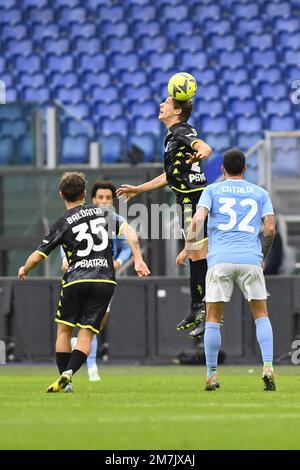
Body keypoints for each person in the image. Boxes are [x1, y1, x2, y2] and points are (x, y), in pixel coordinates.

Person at [18, 172, 150, 393]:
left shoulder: (63, 221)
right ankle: (71, 371)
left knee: (64, 332)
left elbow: (40, 254)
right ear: (84, 193)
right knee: (87, 333)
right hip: (105, 281)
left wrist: (25, 268)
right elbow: (131, 234)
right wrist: (138, 260)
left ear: (61, 195)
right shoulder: (104, 214)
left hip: (76, 280)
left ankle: (65, 379)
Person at [176, 148, 276, 391]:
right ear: (245, 169)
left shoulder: (212, 190)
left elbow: (197, 220)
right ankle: (268, 366)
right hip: (250, 259)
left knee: (212, 317)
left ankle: (211, 375)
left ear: (222, 169)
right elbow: (270, 228)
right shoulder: (260, 193)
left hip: (220, 260)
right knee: (261, 314)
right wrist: (262, 255)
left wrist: (188, 248)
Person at [116, 96, 212, 337]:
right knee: (196, 257)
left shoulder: (181, 131)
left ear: (177, 110)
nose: (161, 105)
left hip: (192, 200)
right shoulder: (173, 136)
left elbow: (204, 147)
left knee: (198, 255)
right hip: (186, 200)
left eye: (167, 102)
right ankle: (196, 307)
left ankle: (204, 311)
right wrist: (138, 190)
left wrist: (201, 153)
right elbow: (169, 176)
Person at [61, 180, 132, 382]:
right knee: (77, 326)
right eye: (100, 197)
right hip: (79, 275)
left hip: (104, 277)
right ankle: (90, 366)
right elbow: (65, 240)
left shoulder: (115, 220)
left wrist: (118, 261)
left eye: (108, 198)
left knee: (96, 325)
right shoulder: (81, 218)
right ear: (92, 199)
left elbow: (127, 245)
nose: (104, 201)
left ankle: (82, 358)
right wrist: (65, 258)